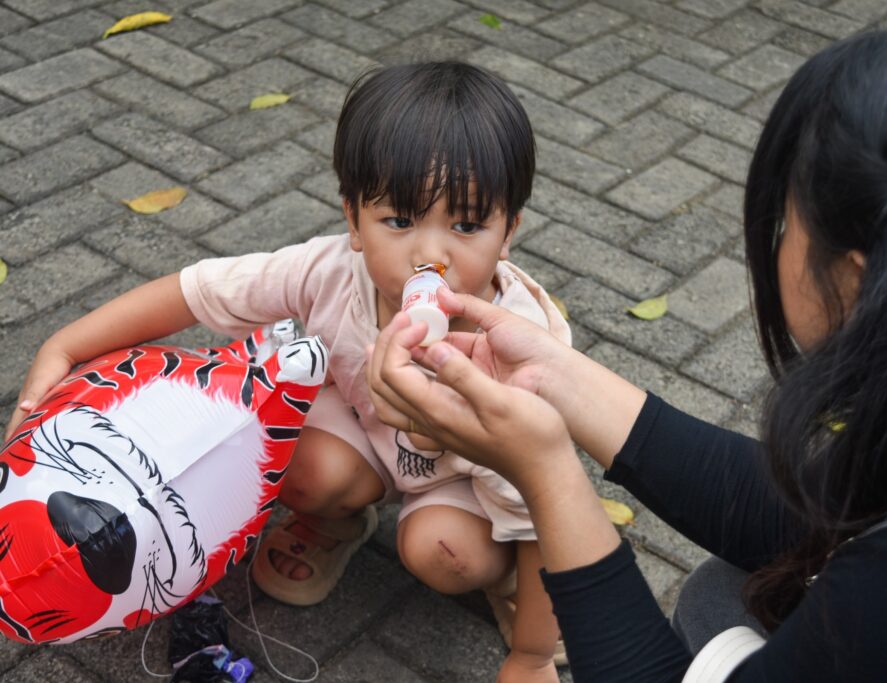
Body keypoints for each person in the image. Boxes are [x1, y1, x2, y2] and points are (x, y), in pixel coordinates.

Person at [366, 16, 887, 682]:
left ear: (855, 277)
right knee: (724, 594)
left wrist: (546, 472)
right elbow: (814, 514)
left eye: (785, 218)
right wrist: (552, 374)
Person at [5, 62, 570, 681]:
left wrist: (532, 655)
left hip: (464, 484)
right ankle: (335, 521)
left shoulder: (516, 355)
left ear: (509, 230)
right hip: (363, 429)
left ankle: (524, 588)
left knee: (445, 554)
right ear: (353, 219)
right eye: (399, 220)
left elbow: (545, 498)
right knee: (286, 465)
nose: (431, 253)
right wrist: (64, 344)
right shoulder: (327, 271)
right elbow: (196, 293)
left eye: (466, 225)